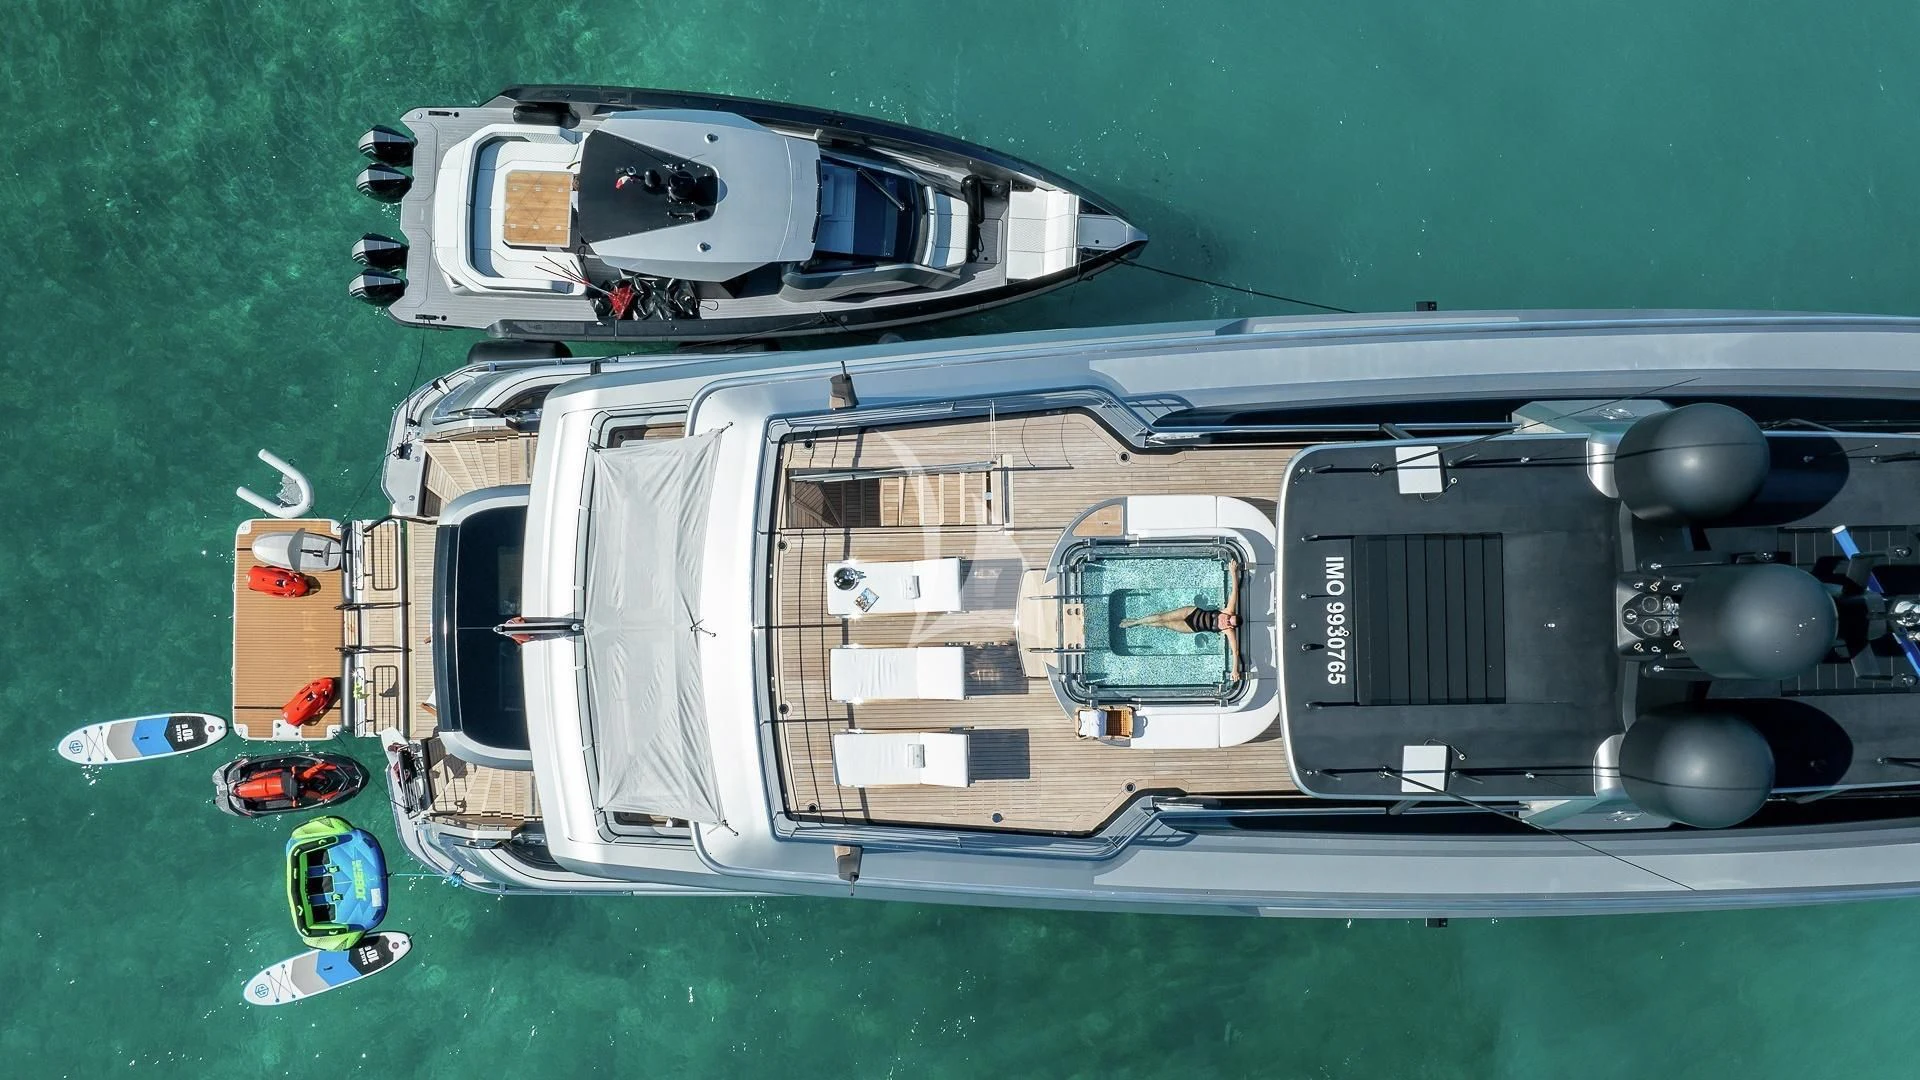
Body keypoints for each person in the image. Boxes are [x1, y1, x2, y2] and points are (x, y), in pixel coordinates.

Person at [1119, 560, 1244, 672]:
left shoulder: (1228, 631)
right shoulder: (1229, 610)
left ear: (1231, 627)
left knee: (1164, 624)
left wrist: (1235, 670)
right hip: (1193, 612)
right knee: (1160, 617)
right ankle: (1134, 622)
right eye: (1228, 618)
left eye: (1229, 623)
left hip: (1191, 627)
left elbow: (1235, 651)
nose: (1226, 621)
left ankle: (1139, 623)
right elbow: (1235, 591)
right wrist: (1233, 572)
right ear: (1230, 614)